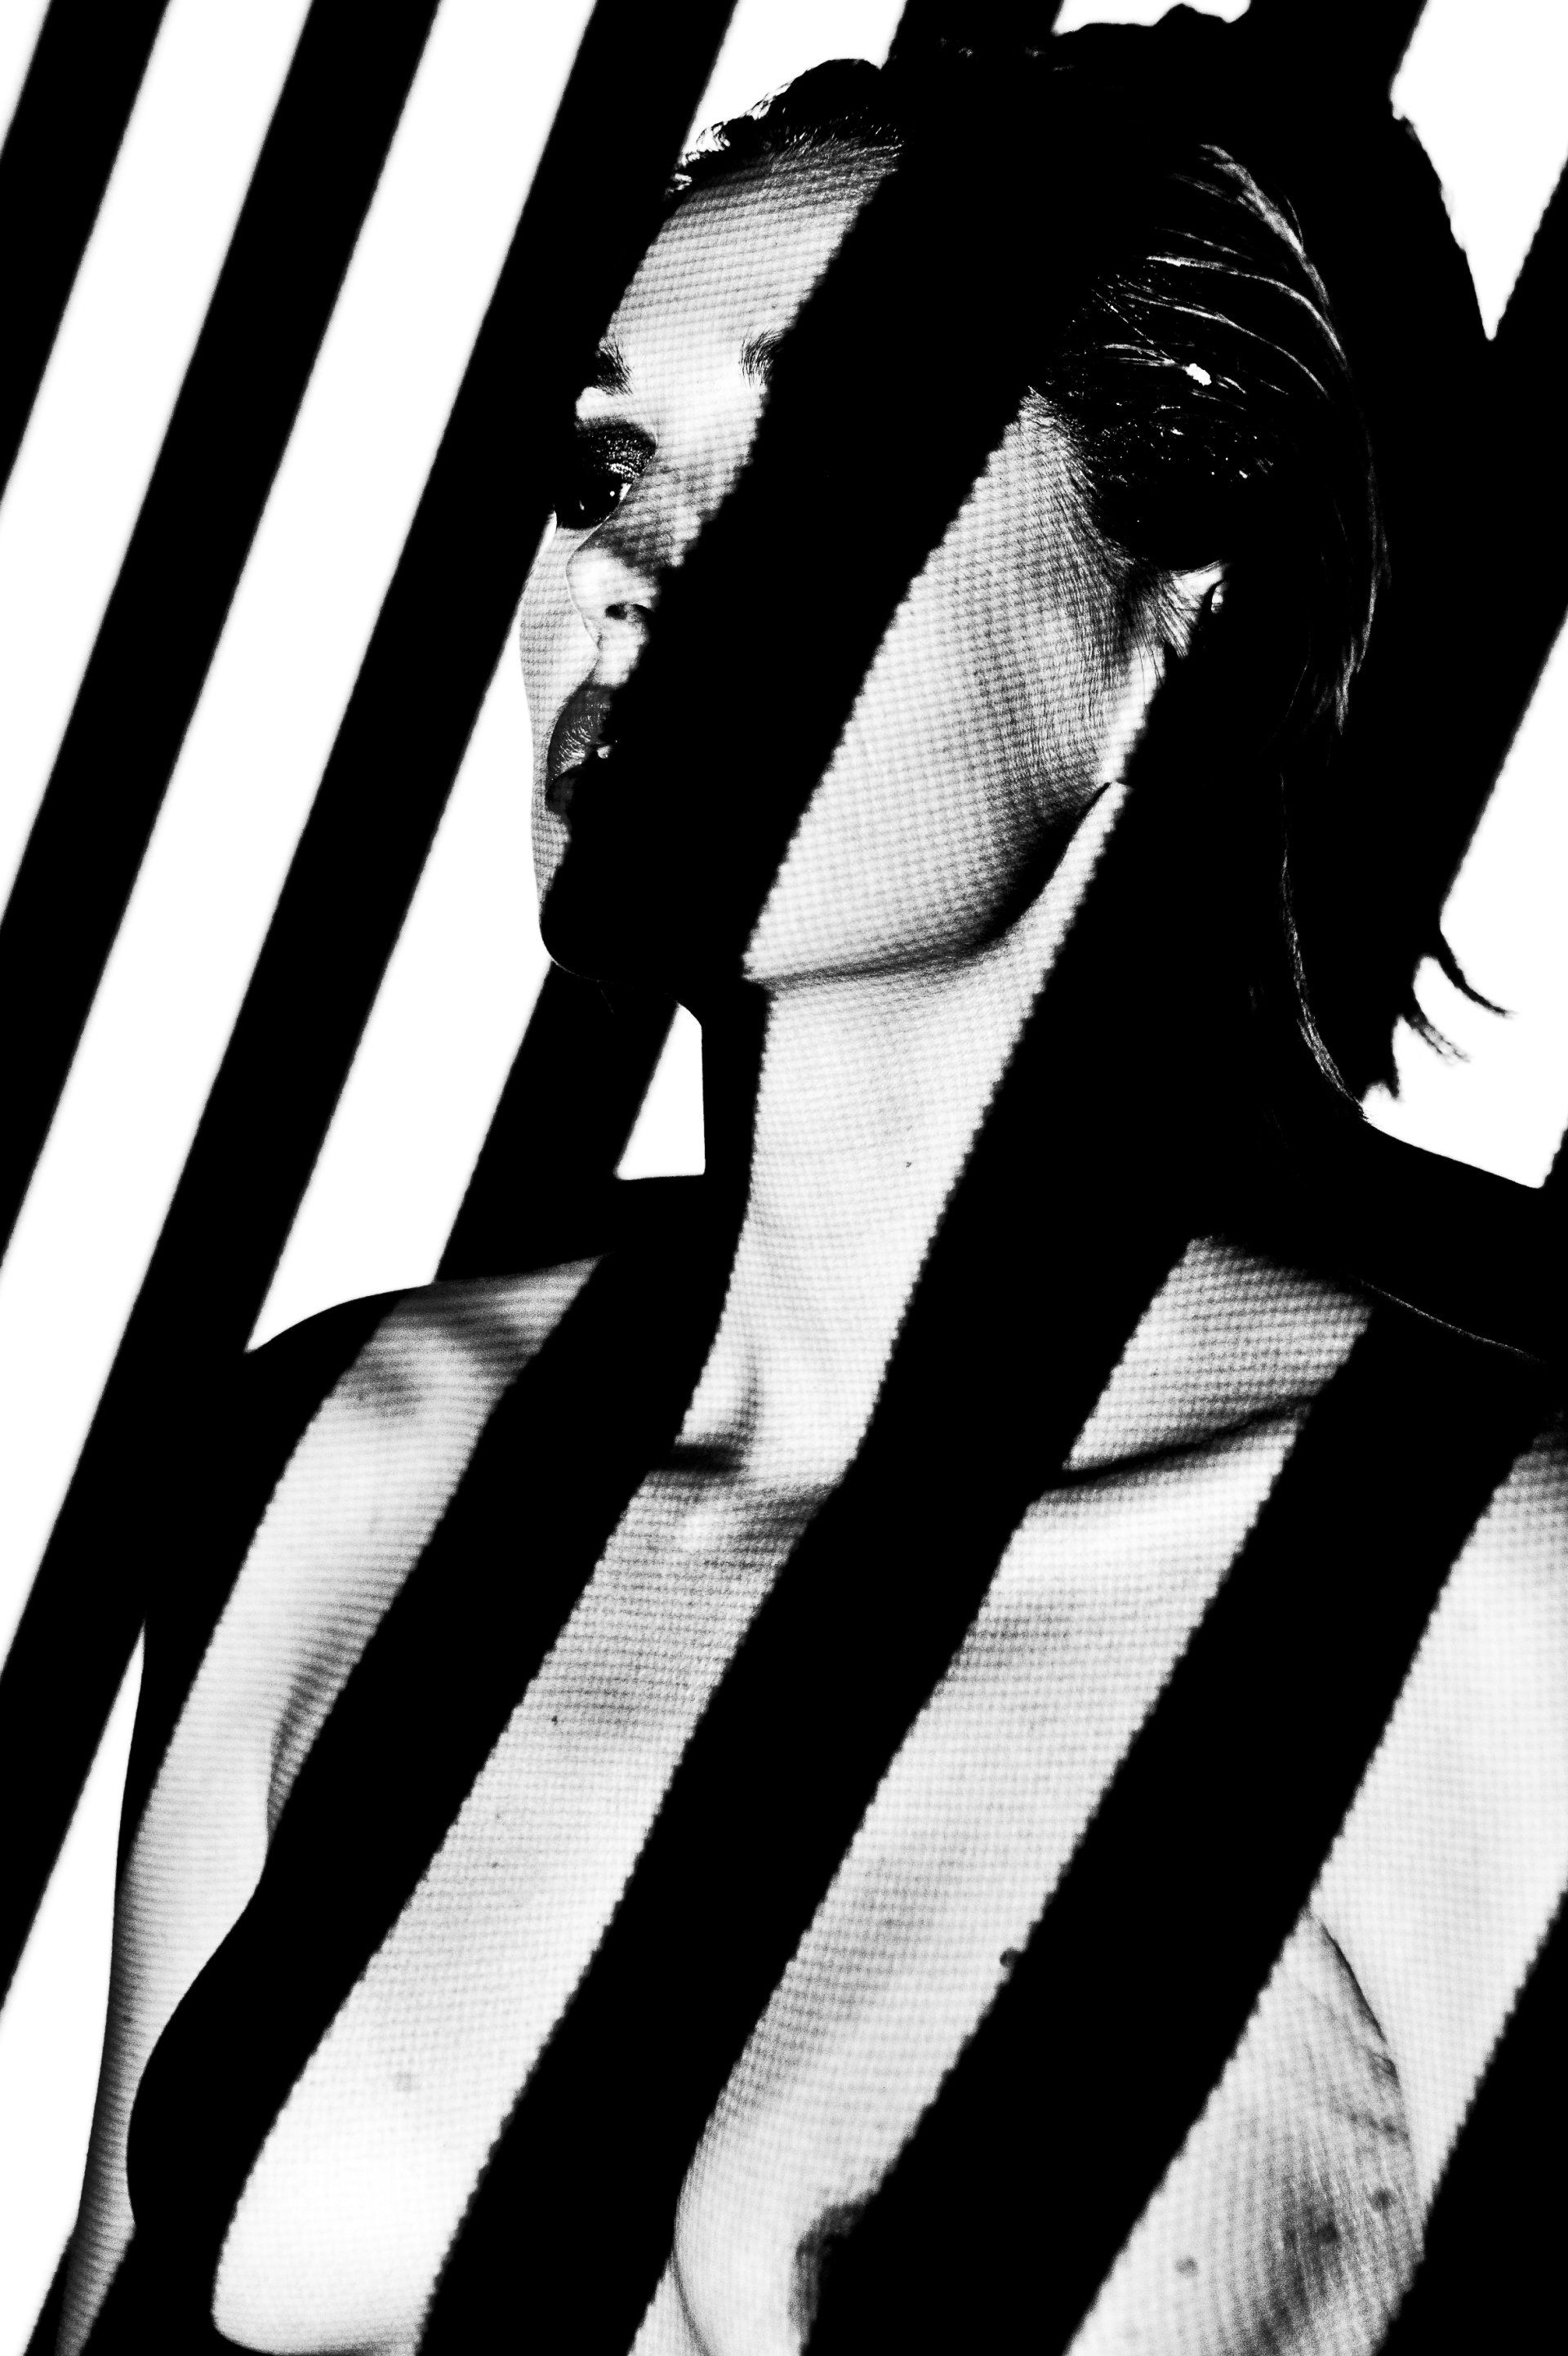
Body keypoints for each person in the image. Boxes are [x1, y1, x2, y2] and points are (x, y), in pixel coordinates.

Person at [60, 24, 1568, 2356]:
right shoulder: (351, 1468)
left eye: (813, 458)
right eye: (605, 465)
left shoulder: (1477, 1600)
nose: (630, 578)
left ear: (1172, 612)